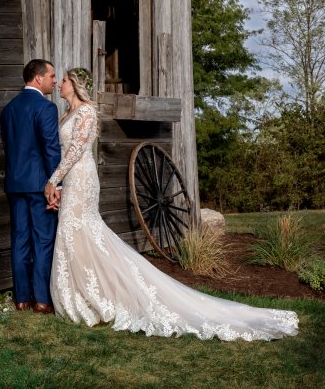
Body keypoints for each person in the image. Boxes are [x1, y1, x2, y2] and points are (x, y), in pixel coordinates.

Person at [44, 68, 298, 340]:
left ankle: (96, 296)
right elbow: (64, 152)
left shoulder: (86, 112)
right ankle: (87, 295)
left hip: (82, 179)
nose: (60, 84)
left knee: (81, 231)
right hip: (70, 180)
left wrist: (52, 180)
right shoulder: (66, 114)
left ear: (77, 85)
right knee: (76, 235)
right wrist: (58, 184)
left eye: (66, 80)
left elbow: (77, 150)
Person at [0, 59, 61, 313]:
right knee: (44, 240)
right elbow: (50, 149)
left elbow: (9, 148)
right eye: (52, 76)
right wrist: (55, 182)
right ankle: (42, 300)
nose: (55, 81)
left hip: (15, 184)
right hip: (39, 185)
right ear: (38, 78)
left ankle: (22, 299)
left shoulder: (8, 109)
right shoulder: (46, 108)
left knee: (20, 239)